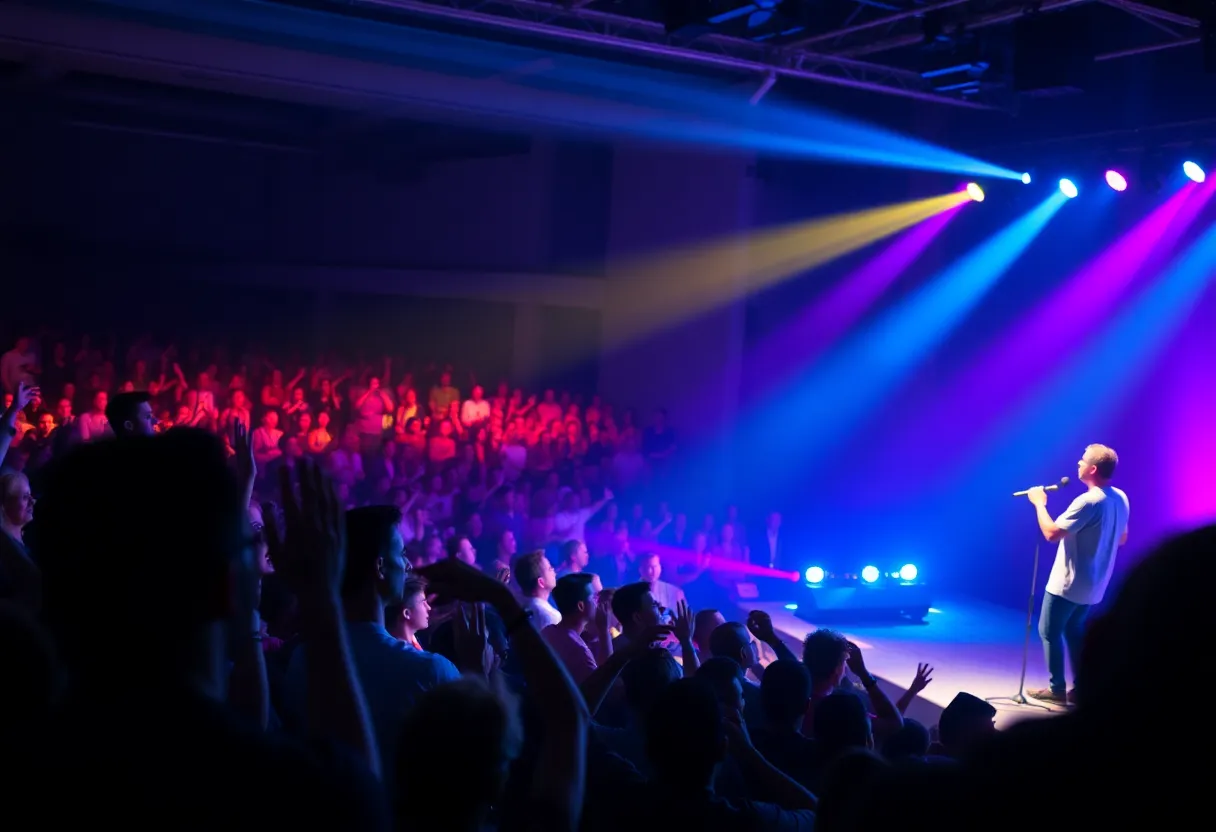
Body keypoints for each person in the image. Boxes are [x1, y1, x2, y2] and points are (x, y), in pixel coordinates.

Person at [1025, 443, 1129, 705]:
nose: (1078, 464)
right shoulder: (1120, 497)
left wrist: (1039, 503)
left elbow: (1050, 533)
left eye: (1082, 461)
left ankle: (1056, 689)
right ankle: (1082, 688)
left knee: (1048, 631)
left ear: (1093, 469)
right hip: (1094, 584)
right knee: (1073, 630)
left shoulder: (1088, 501)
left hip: (1067, 584)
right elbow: (1122, 538)